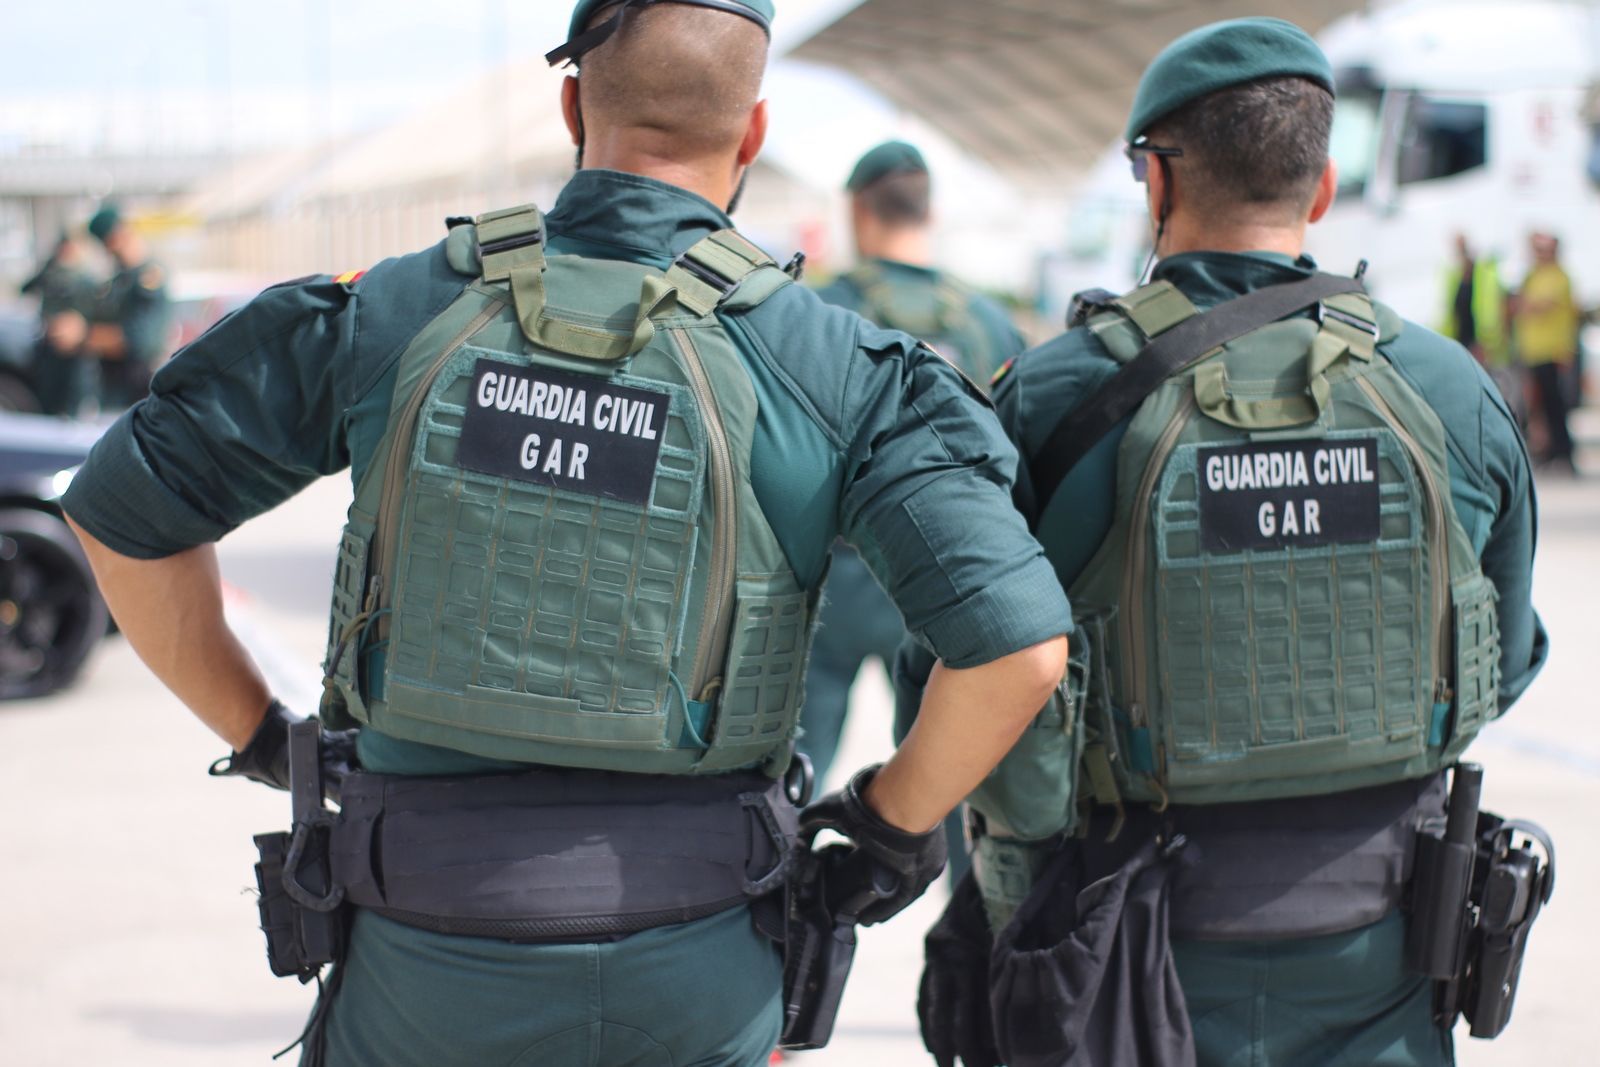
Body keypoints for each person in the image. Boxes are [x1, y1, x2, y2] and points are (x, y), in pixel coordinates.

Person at [62, 2, 1071, 1065]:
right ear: (754, 132)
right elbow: (1018, 648)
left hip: (417, 965)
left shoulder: (397, 311)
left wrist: (268, 737)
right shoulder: (836, 367)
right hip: (700, 966)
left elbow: (124, 515)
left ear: (571, 101)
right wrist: (881, 827)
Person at [906, 17, 1546, 1067]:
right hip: (1384, 938)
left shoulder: (1053, 398)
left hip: (1118, 952)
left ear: (1153, 181)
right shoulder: (1446, 390)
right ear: (1323, 188)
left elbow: (961, 664)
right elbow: (1503, 658)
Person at [800, 141, 1026, 883]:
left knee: (786, 786)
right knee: (952, 787)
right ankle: (970, 950)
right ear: (926, 208)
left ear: (860, 211)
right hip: (940, 596)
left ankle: (777, 934)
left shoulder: (817, 311)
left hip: (827, 588)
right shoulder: (989, 323)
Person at [56, 203, 171, 410]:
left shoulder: (149, 277)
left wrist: (83, 335)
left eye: (109, 242)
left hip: (140, 395)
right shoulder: (118, 280)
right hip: (113, 393)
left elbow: (140, 342)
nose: (109, 249)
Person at [1515, 231, 1579, 472]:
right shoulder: (1533, 276)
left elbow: (1540, 305)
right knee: (1537, 408)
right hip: (1533, 350)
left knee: (1556, 405)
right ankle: (1550, 450)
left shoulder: (1559, 277)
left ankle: (1564, 451)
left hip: (1553, 351)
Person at [20, 231, 101, 416]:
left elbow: (94, 313)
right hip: (49, 345)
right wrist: (48, 264)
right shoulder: (50, 274)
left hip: (76, 347)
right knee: (48, 396)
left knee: (75, 397)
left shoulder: (85, 278)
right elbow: (26, 288)